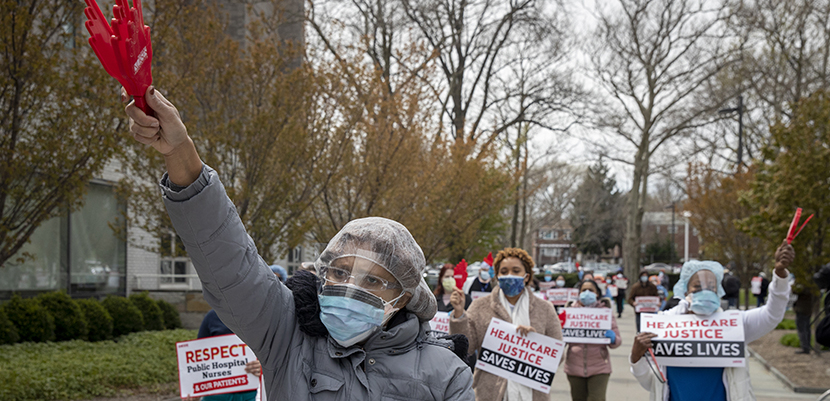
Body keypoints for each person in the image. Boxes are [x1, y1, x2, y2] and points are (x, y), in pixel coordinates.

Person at [123, 86, 474, 400]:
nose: (350, 289)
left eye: (372, 280)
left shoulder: (445, 375)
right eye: (339, 272)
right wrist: (181, 154)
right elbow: (230, 264)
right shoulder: (286, 333)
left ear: (404, 297)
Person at [628, 241, 794, 401]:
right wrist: (636, 357)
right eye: (698, 287)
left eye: (711, 288)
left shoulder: (734, 325)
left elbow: (772, 314)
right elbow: (652, 384)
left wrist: (779, 276)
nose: (705, 291)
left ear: (718, 292)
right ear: (685, 291)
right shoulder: (663, 326)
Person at [449, 247, 563, 401]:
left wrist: (533, 341)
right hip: (490, 393)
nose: (510, 275)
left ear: (527, 276)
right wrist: (459, 314)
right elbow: (464, 349)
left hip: (533, 394)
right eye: (504, 271)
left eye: (516, 271)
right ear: (497, 276)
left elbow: (558, 355)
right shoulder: (479, 306)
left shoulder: (545, 309)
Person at [563, 279, 622, 401]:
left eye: (591, 290)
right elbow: (559, 340)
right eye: (584, 290)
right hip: (574, 367)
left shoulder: (604, 313)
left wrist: (613, 339)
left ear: (597, 294)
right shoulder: (569, 312)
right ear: (579, 293)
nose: (587, 293)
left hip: (599, 367)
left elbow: (617, 341)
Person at [197, 310, 263, 401]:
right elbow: (197, 357)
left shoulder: (260, 317)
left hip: (250, 392)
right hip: (216, 394)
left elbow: (272, 353)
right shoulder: (212, 316)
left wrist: (263, 366)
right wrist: (192, 390)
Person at [793, 283, 814, 354]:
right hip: (808, 310)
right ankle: (807, 346)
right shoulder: (812, 286)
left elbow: (795, 291)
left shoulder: (804, 285)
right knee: (807, 329)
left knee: (802, 329)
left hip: (802, 310)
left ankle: (805, 348)